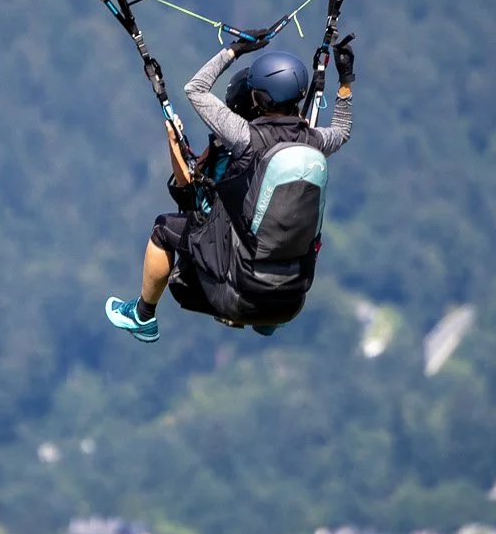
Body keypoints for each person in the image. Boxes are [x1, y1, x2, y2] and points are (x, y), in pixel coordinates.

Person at [105, 30, 354, 341]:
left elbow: (195, 89)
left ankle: (143, 316)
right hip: (290, 301)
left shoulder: (245, 137)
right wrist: (345, 81)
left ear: (258, 97)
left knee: (164, 230)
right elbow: (342, 131)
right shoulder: (314, 141)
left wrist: (234, 50)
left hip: (237, 292)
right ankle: (267, 315)